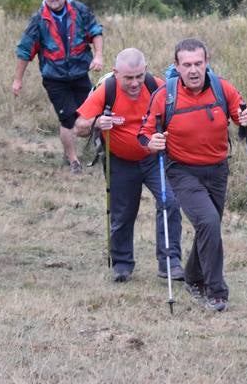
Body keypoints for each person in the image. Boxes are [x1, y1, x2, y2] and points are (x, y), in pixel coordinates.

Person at [139, 38, 247, 312]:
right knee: (208, 220)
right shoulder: (165, 95)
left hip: (217, 170)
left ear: (207, 63)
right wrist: (152, 143)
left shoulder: (222, 88)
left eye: (198, 64)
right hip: (181, 171)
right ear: (177, 66)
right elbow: (143, 135)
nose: (193, 70)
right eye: (187, 65)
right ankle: (215, 291)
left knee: (210, 225)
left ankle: (193, 276)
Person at [75, 48, 183, 283]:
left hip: (154, 159)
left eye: (139, 77)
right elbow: (79, 127)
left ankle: (170, 262)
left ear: (145, 71)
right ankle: (122, 264)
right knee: (123, 214)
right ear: (115, 73)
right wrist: (96, 122)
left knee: (170, 203)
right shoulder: (108, 90)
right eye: (129, 78)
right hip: (120, 162)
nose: (135, 83)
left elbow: (177, 116)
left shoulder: (157, 86)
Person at [12, 0, 104, 174]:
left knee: (92, 116)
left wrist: (98, 56)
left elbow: (95, 32)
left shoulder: (79, 11)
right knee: (68, 120)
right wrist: (18, 80)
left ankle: (101, 149)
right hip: (55, 78)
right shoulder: (38, 20)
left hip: (80, 73)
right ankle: (73, 160)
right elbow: (24, 50)